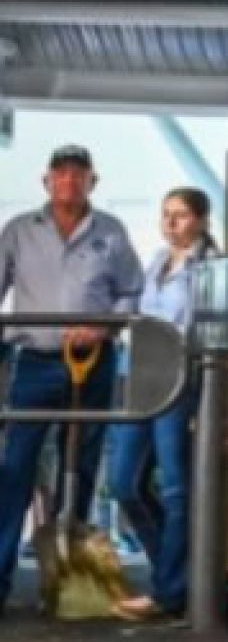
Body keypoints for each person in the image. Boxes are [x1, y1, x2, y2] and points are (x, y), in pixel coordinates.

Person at [0, 144, 144, 615]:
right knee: (15, 469)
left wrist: (102, 326)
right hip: (36, 364)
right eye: (60, 175)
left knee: (80, 467)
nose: (69, 183)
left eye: (78, 176)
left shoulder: (111, 233)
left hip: (94, 362)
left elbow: (130, 293)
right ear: (47, 182)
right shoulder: (19, 231)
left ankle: (69, 574)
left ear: (92, 183)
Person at [107, 187, 219, 621]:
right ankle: (174, 576)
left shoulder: (209, 267)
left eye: (182, 215)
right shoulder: (155, 262)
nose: (171, 223)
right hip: (140, 375)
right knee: (123, 484)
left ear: (202, 220)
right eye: (166, 214)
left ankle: (171, 591)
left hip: (178, 380)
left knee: (175, 488)